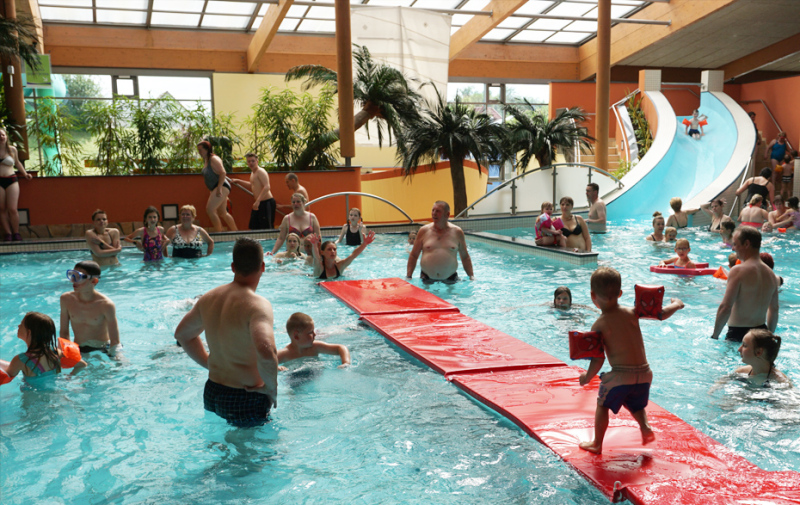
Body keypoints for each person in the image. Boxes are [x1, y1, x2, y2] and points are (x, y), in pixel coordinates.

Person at [578, 267, 684, 454]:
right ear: (620, 293)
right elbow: (660, 313)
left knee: (602, 405)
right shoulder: (633, 312)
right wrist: (676, 304)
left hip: (621, 376)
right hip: (645, 374)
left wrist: (587, 377)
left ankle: (596, 444)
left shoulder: (599, 324)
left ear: (592, 295)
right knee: (634, 402)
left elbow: (598, 359)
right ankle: (645, 426)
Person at [174, 237, 278, 427]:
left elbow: (182, 335)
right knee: (256, 447)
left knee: (217, 443)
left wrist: (209, 363)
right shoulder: (258, 305)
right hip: (245, 396)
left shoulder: (209, 298)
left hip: (212, 392)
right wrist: (271, 388)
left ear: (233, 267)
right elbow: (266, 350)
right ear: (263, 267)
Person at [711, 227, 780, 341]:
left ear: (746, 244)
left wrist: (715, 336)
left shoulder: (738, 271)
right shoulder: (771, 274)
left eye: (735, 244)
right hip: (762, 333)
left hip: (738, 334)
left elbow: (726, 307)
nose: (733, 248)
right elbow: (774, 309)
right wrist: (769, 335)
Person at [0, 312, 87, 382]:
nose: (18, 326)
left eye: (21, 324)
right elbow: (82, 365)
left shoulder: (21, 360)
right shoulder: (55, 352)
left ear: (29, 332)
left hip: (32, 397)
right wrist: (69, 377)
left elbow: (6, 377)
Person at [60, 261, 122, 356]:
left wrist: (114, 356)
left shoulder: (106, 305)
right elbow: (64, 332)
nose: (73, 280)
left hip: (102, 349)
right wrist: (67, 353)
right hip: (78, 349)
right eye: (73, 275)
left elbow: (115, 341)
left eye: (79, 277)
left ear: (94, 281)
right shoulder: (66, 299)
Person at [407, 201, 475, 282]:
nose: (434, 213)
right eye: (433, 210)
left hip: (451, 278)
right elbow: (414, 255)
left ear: (447, 214)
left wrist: (471, 276)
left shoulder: (457, 232)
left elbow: (465, 257)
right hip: (426, 278)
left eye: (438, 211)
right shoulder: (424, 231)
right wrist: (409, 276)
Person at [277, 313, 350, 370]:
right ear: (296, 336)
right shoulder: (285, 354)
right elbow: (269, 363)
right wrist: (277, 368)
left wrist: (346, 362)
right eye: (310, 332)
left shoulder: (315, 347)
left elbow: (341, 348)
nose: (315, 334)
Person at [0, 127, 32, 242]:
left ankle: (16, 232)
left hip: (11, 179)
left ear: (6, 136)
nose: (1, 137)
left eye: (2, 135)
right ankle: (8, 233)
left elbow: (17, 163)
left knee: (13, 208)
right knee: (1, 209)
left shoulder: (12, 150)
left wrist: (25, 174)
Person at [198, 140, 237, 232]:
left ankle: (219, 233)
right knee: (223, 213)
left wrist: (219, 188)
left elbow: (223, 172)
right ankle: (236, 232)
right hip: (216, 187)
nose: (199, 152)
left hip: (221, 186)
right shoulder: (207, 160)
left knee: (210, 210)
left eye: (200, 150)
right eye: (198, 150)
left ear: (207, 149)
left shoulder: (214, 159)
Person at [231, 153, 276, 230]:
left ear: (257, 161)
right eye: (249, 161)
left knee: (267, 227)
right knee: (254, 226)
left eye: (253, 161)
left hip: (266, 203)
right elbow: (252, 185)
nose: (251, 163)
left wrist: (258, 201)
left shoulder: (260, 171)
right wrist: (238, 181)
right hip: (259, 203)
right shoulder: (253, 173)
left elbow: (267, 187)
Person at [310, 231, 375, 280]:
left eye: (334, 249)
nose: (333, 251)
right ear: (322, 252)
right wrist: (314, 245)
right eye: (329, 249)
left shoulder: (340, 266)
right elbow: (316, 257)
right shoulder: (319, 266)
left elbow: (353, 255)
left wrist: (364, 244)